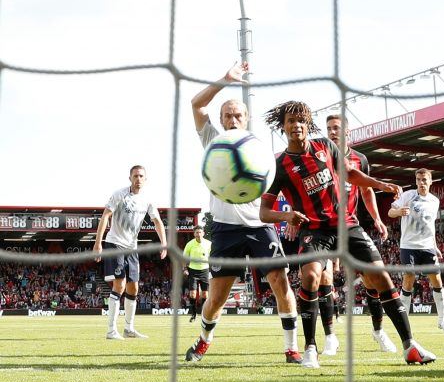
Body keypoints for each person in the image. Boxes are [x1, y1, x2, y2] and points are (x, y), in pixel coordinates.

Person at [259, 100, 435, 368]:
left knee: (381, 277)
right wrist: (286, 216)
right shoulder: (280, 165)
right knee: (311, 276)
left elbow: (350, 173)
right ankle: (310, 349)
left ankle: (410, 345)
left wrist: (378, 184)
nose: (296, 126)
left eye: (300, 121)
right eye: (290, 122)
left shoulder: (326, 147)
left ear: (308, 124)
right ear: (282, 127)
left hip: (347, 224)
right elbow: (264, 212)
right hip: (314, 230)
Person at [184, 62, 302, 365]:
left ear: (246, 118)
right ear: (221, 119)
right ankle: (203, 340)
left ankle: (292, 348)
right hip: (224, 228)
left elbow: (279, 183)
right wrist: (225, 80)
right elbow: (197, 104)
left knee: (280, 281)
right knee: (217, 297)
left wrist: (288, 215)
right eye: (228, 115)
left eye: (238, 114)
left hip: (259, 226)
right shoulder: (212, 139)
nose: (233, 118)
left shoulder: (259, 148)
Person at [318, 114, 397, 354]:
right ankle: (330, 336)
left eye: (337, 128)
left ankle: (379, 331)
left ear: (347, 132)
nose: (333, 132)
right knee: (324, 278)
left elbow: (366, 191)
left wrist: (377, 219)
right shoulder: (319, 157)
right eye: (329, 128)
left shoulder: (360, 159)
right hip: (323, 226)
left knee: (373, 279)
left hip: (351, 225)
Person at [94, 165, 168, 340]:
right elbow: (105, 216)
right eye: (135, 176)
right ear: (130, 178)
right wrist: (98, 243)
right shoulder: (119, 194)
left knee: (133, 288)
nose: (138, 179)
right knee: (119, 285)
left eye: (141, 176)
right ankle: (111, 331)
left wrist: (164, 243)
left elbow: (157, 222)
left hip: (132, 247)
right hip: (115, 243)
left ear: (145, 179)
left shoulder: (148, 200)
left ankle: (129, 329)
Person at [388, 168, 444, 333]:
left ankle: (442, 320)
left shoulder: (434, 201)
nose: (421, 183)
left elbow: (430, 225)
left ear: (430, 181)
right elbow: (390, 212)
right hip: (408, 246)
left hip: (427, 247)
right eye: (418, 179)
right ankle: (405, 323)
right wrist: (399, 212)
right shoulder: (408, 196)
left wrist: (435, 245)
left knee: (436, 281)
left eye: (424, 179)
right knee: (408, 279)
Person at [183, 226, 211, 322]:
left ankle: (203, 314)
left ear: (203, 233)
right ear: (194, 234)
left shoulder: (209, 244)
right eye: (196, 232)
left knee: (205, 295)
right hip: (193, 271)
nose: (198, 234)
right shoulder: (189, 244)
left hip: (205, 270)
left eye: (200, 232)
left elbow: (213, 256)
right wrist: (184, 269)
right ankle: (193, 314)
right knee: (192, 295)